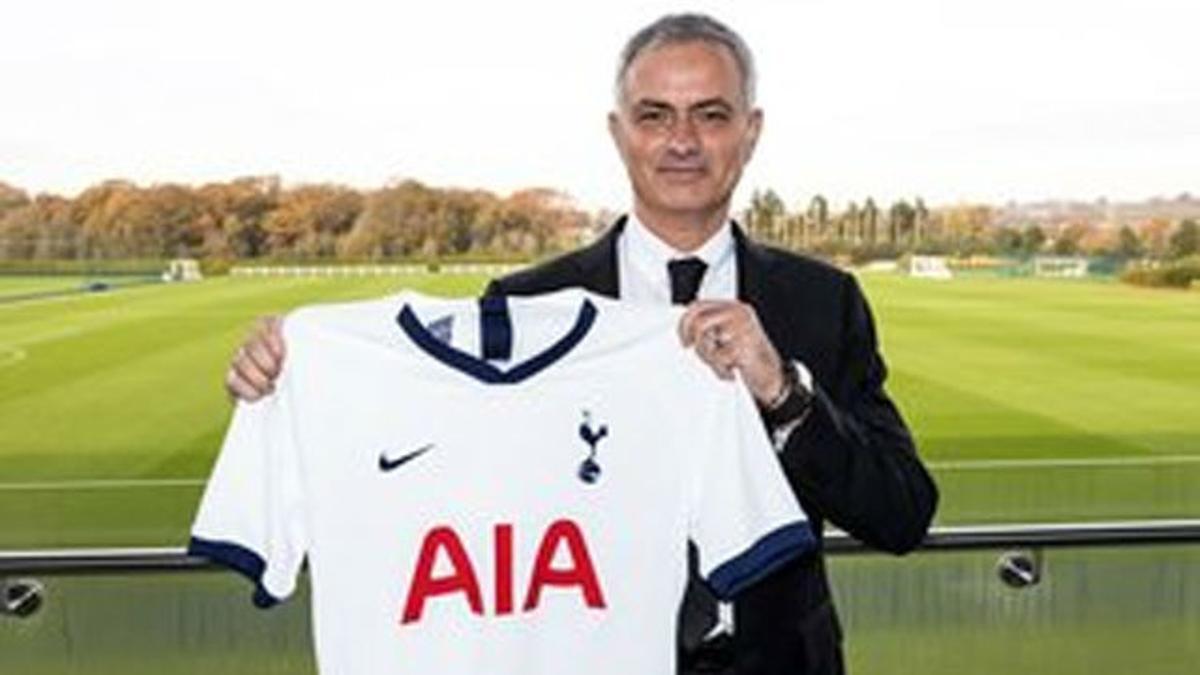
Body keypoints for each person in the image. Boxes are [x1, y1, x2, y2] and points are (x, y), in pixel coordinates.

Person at [225, 13, 937, 675]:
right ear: (618, 131)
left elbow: (901, 511)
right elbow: (439, 471)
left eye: (710, 115)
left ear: (750, 132)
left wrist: (783, 391)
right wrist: (287, 382)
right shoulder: (524, 306)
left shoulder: (822, 300)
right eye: (654, 115)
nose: (682, 141)